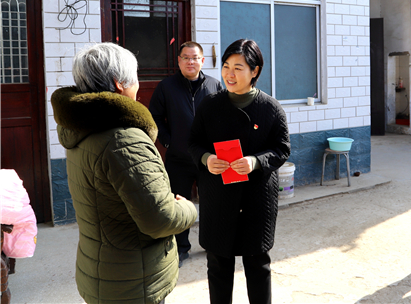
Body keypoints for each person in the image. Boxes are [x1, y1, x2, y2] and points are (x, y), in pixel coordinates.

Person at [51, 43, 197, 304]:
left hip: (101, 271)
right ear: (120, 84)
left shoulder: (79, 126)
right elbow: (160, 219)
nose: (138, 85)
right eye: (136, 77)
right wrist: (188, 209)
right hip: (132, 280)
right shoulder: (123, 139)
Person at [188, 39, 291, 304]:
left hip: (257, 199)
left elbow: (282, 149)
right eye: (226, 66)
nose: (229, 74)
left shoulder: (270, 108)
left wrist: (255, 162)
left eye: (238, 68)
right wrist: (206, 158)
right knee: (218, 264)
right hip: (218, 196)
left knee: (258, 265)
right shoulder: (210, 105)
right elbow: (193, 142)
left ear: (255, 71)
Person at [149, 41, 222, 266]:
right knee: (178, 205)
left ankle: (212, 245)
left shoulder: (214, 85)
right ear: (179, 61)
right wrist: (168, 141)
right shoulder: (166, 87)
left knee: (211, 203)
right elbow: (155, 117)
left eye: (195, 58)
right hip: (178, 158)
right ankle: (181, 248)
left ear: (202, 60)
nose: (191, 62)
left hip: (208, 159)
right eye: (186, 58)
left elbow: (224, 117)